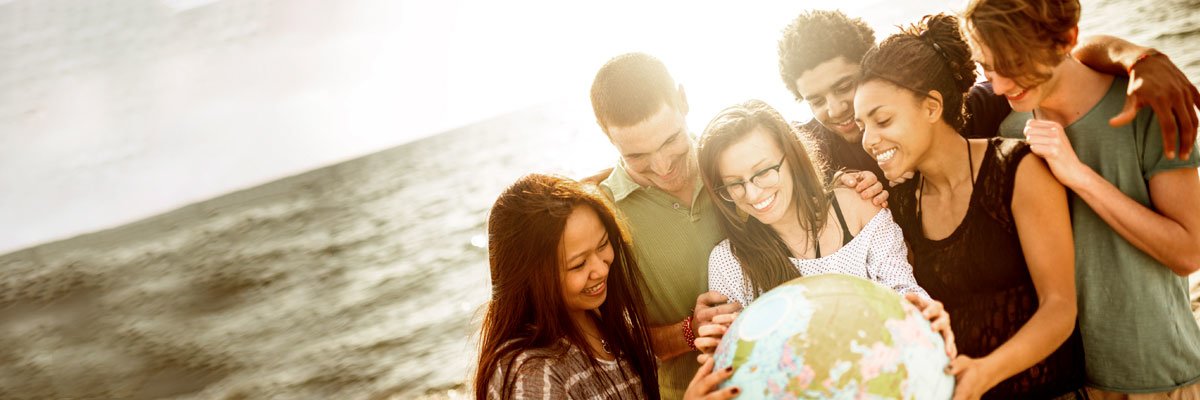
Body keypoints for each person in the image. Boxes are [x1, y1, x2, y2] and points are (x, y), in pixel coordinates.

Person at [586, 52, 888, 398]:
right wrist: (689, 330)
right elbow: (612, 340)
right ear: (605, 134)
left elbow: (802, 191)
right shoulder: (603, 215)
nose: (662, 165)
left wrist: (846, 185)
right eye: (636, 156)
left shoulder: (731, 162)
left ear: (683, 101)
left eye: (671, 140)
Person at [965, 0, 1200, 397]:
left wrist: (1078, 176)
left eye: (1013, 63)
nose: (1000, 85)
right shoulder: (1010, 129)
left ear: (1066, 40)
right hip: (1066, 382)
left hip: (1156, 375)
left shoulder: (1146, 106)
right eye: (987, 67)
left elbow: (1188, 252)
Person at [855, 14, 1084, 399]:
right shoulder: (903, 204)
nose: (868, 140)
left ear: (931, 107)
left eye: (882, 120)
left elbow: (1060, 308)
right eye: (862, 124)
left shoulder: (1017, 168)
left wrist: (984, 373)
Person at [777, 10, 1200, 186]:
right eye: (815, 99)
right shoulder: (813, 153)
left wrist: (1138, 58)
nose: (835, 110)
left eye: (844, 87)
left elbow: (1052, 62)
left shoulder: (958, 110)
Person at [693, 98, 955, 357]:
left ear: (792, 156)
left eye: (763, 172)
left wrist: (925, 317)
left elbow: (904, 290)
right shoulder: (728, 261)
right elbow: (734, 360)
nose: (751, 194)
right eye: (734, 183)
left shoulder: (859, 207)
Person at [474, 173, 738, 399]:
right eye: (578, 265)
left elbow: (642, 347)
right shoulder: (530, 373)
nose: (601, 269)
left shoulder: (595, 320)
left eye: (602, 245)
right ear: (530, 278)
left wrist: (692, 330)